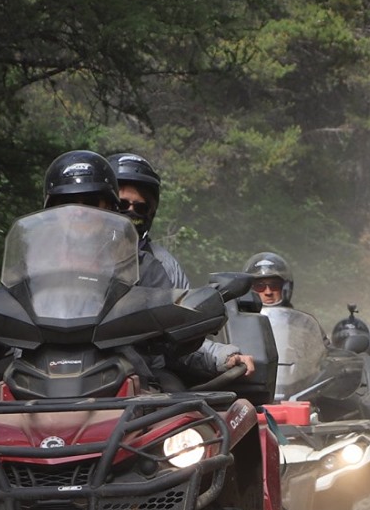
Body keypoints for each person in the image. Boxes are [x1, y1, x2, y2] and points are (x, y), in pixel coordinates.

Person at [36, 150, 251, 380]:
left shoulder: (150, 267)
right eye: (67, 204)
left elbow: (176, 332)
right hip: (41, 374)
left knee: (176, 393)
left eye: (90, 203)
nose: (79, 213)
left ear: (108, 208)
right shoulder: (33, 263)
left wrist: (221, 354)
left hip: (130, 377)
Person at [109, 153, 192, 290]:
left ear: (151, 211)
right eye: (122, 205)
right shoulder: (80, 254)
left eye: (140, 207)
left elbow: (183, 308)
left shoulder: (165, 266)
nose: (131, 211)